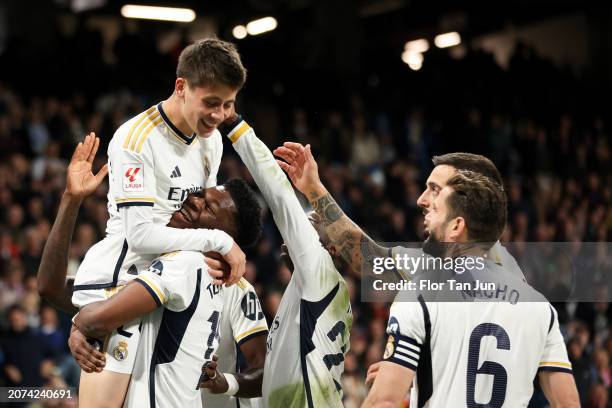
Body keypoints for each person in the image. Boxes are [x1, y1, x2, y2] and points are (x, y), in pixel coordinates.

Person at [67, 38, 249, 407]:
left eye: (227, 104)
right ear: (181, 87)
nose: (218, 115)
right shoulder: (136, 139)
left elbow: (203, 218)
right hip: (120, 288)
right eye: (210, 102)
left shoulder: (210, 142)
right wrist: (221, 242)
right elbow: (140, 236)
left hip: (168, 287)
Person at [37, 134, 266, 407]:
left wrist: (81, 327)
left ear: (226, 237)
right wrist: (71, 200)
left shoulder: (193, 269)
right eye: (201, 194)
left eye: (208, 207)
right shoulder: (161, 262)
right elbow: (54, 289)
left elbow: (93, 318)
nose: (193, 200)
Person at [359, 171, 579, 407]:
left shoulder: (421, 294)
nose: (426, 216)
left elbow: (383, 402)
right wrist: (420, 376)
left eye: (436, 210)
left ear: (456, 226)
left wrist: (395, 380)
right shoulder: (540, 308)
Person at [201, 115, 353, 407]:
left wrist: (235, 125)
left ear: (332, 250)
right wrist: (227, 384)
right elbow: (277, 379)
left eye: (315, 224)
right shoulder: (321, 294)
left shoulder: (320, 270)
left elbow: (280, 195)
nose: (305, 223)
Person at [273, 146, 525, 281]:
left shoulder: (446, 272)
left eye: (435, 190)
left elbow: (368, 258)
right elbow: (369, 258)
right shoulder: (518, 286)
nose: (421, 200)